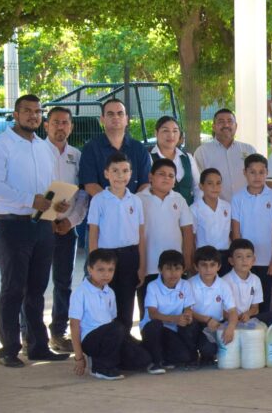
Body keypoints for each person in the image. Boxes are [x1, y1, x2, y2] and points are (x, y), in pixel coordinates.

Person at [0, 94, 71, 366]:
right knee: (13, 287)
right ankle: (8, 349)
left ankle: (38, 346)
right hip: (10, 224)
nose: (33, 115)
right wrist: (28, 199)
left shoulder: (44, 148)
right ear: (16, 114)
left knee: (36, 288)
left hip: (42, 224)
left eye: (37, 111)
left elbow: (48, 188)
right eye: (27, 111)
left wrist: (58, 204)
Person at [25, 107, 89, 354]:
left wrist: (70, 221)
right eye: (55, 122)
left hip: (66, 229)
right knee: (34, 284)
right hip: (38, 226)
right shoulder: (36, 151)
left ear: (71, 127)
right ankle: (29, 335)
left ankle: (59, 333)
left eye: (64, 123)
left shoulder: (76, 155)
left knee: (63, 283)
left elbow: (81, 194)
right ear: (46, 125)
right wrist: (47, 218)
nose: (59, 127)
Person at [69, 249, 151, 380]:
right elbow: (74, 325)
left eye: (110, 270)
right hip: (91, 339)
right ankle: (100, 368)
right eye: (100, 270)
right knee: (118, 328)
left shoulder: (110, 292)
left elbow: (112, 319)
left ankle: (107, 360)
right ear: (90, 270)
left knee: (143, 359)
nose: (106, 274)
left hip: (109, 337)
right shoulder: (80, 293)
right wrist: (79, 357)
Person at [87, 153, 147, 332]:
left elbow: (141, 235)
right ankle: (109, 341)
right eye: (115, 171)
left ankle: (125, 339)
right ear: (106, 174)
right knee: (107, 301)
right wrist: (94, 264)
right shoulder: (99, 200)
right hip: (106, 256)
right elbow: (93, 234)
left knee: (126, 302)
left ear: (131, 174)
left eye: (125, 171)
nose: (120, 175)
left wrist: (142, 266)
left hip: (130, 256)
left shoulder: (136, 200)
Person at [135, 158, 194, 315]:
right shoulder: (138, 199)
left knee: (177, 309)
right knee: (148, 312)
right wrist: (140, 265)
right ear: (150, 177)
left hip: (174, 266)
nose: (166, 178)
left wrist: (187, 260)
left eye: (171, 175)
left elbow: (188, 231)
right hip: (148, 266)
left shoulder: (179, 200)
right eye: (161, 174)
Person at [230, 154, 272, 317]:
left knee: (265, 300)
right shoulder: (238, 198)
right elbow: (236, 231)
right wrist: (240, 257)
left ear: (267, 172)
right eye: (252, 172)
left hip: (266, 259)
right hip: (245, 260)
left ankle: (265, 333)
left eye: (261, 172)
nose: (257, 176)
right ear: (244, 172)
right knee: (245, 300)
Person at [79, 99, 153, 197]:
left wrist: (130, 204)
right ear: (102, 119)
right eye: (110, 114)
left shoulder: (139, 149)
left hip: (132, 210)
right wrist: (113, 204)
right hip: (102, 210)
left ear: (126, 119)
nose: (116, 117)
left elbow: (145, 184)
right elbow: (90, 185)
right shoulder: (91, 148)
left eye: (120, 113)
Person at [139, 250, 197, 374]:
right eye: (168, 269)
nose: (173, 273)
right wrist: (176, 319)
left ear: (183, 270)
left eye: (177, 268)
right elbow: (153, 314)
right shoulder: (152, 286)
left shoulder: (185, 285)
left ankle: (164, 357)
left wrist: (187, 316)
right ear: (160, 269)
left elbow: (188, 308)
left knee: (183, 356)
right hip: (152, 329)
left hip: (171, 329)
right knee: (156, 325)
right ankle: (155, 362)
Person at [188, 245, 238, 367]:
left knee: (209, 349)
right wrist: (207, 319)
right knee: (188, 327)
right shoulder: (189, 284)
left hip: (215, 325)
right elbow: (187, 310)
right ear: (196, 267)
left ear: (219, 266)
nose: (208, 269)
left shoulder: (223, 285)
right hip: (195, 324)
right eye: (203, 265)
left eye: (212, 265)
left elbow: (232, 310)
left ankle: (207, 355)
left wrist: (231, 327)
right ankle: (191, 356)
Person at [194, 108, 258, 203]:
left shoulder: (249, 150)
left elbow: (258, 178)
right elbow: (198, 184)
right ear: (214, 126)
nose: (226, 125)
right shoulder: (202, 152)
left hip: (247, 207)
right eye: (221, 122)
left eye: (230, 121)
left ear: (236, 126)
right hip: (217, 211)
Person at [223, 238, 272, 325]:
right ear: (231, 261)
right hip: (228, 321)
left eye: (248, 256)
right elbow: (219, 310)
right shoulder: (224, 281)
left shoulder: (256, 280)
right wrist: (233, 318)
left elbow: (255, 308)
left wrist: (248, 314)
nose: (244, 260)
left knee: (271, 317)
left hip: (247, 319)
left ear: (253, 260)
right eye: (239, 256)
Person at [150, 116, 200, 205]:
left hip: (189, 212)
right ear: (156, 133)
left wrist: (195, 209)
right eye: (165, 131)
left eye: (175, 131)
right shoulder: (149, 158)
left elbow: (198, 187)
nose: (171, 135)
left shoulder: (188, 158)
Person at [191, 168, 233, 276]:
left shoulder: (227, 206)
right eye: (210, 183)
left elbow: (231, 233)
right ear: (201, 186)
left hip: (225, 255)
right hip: (205, 257)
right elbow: (191, 237)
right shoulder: (194, 209)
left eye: (218, 183)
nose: (215, 187)